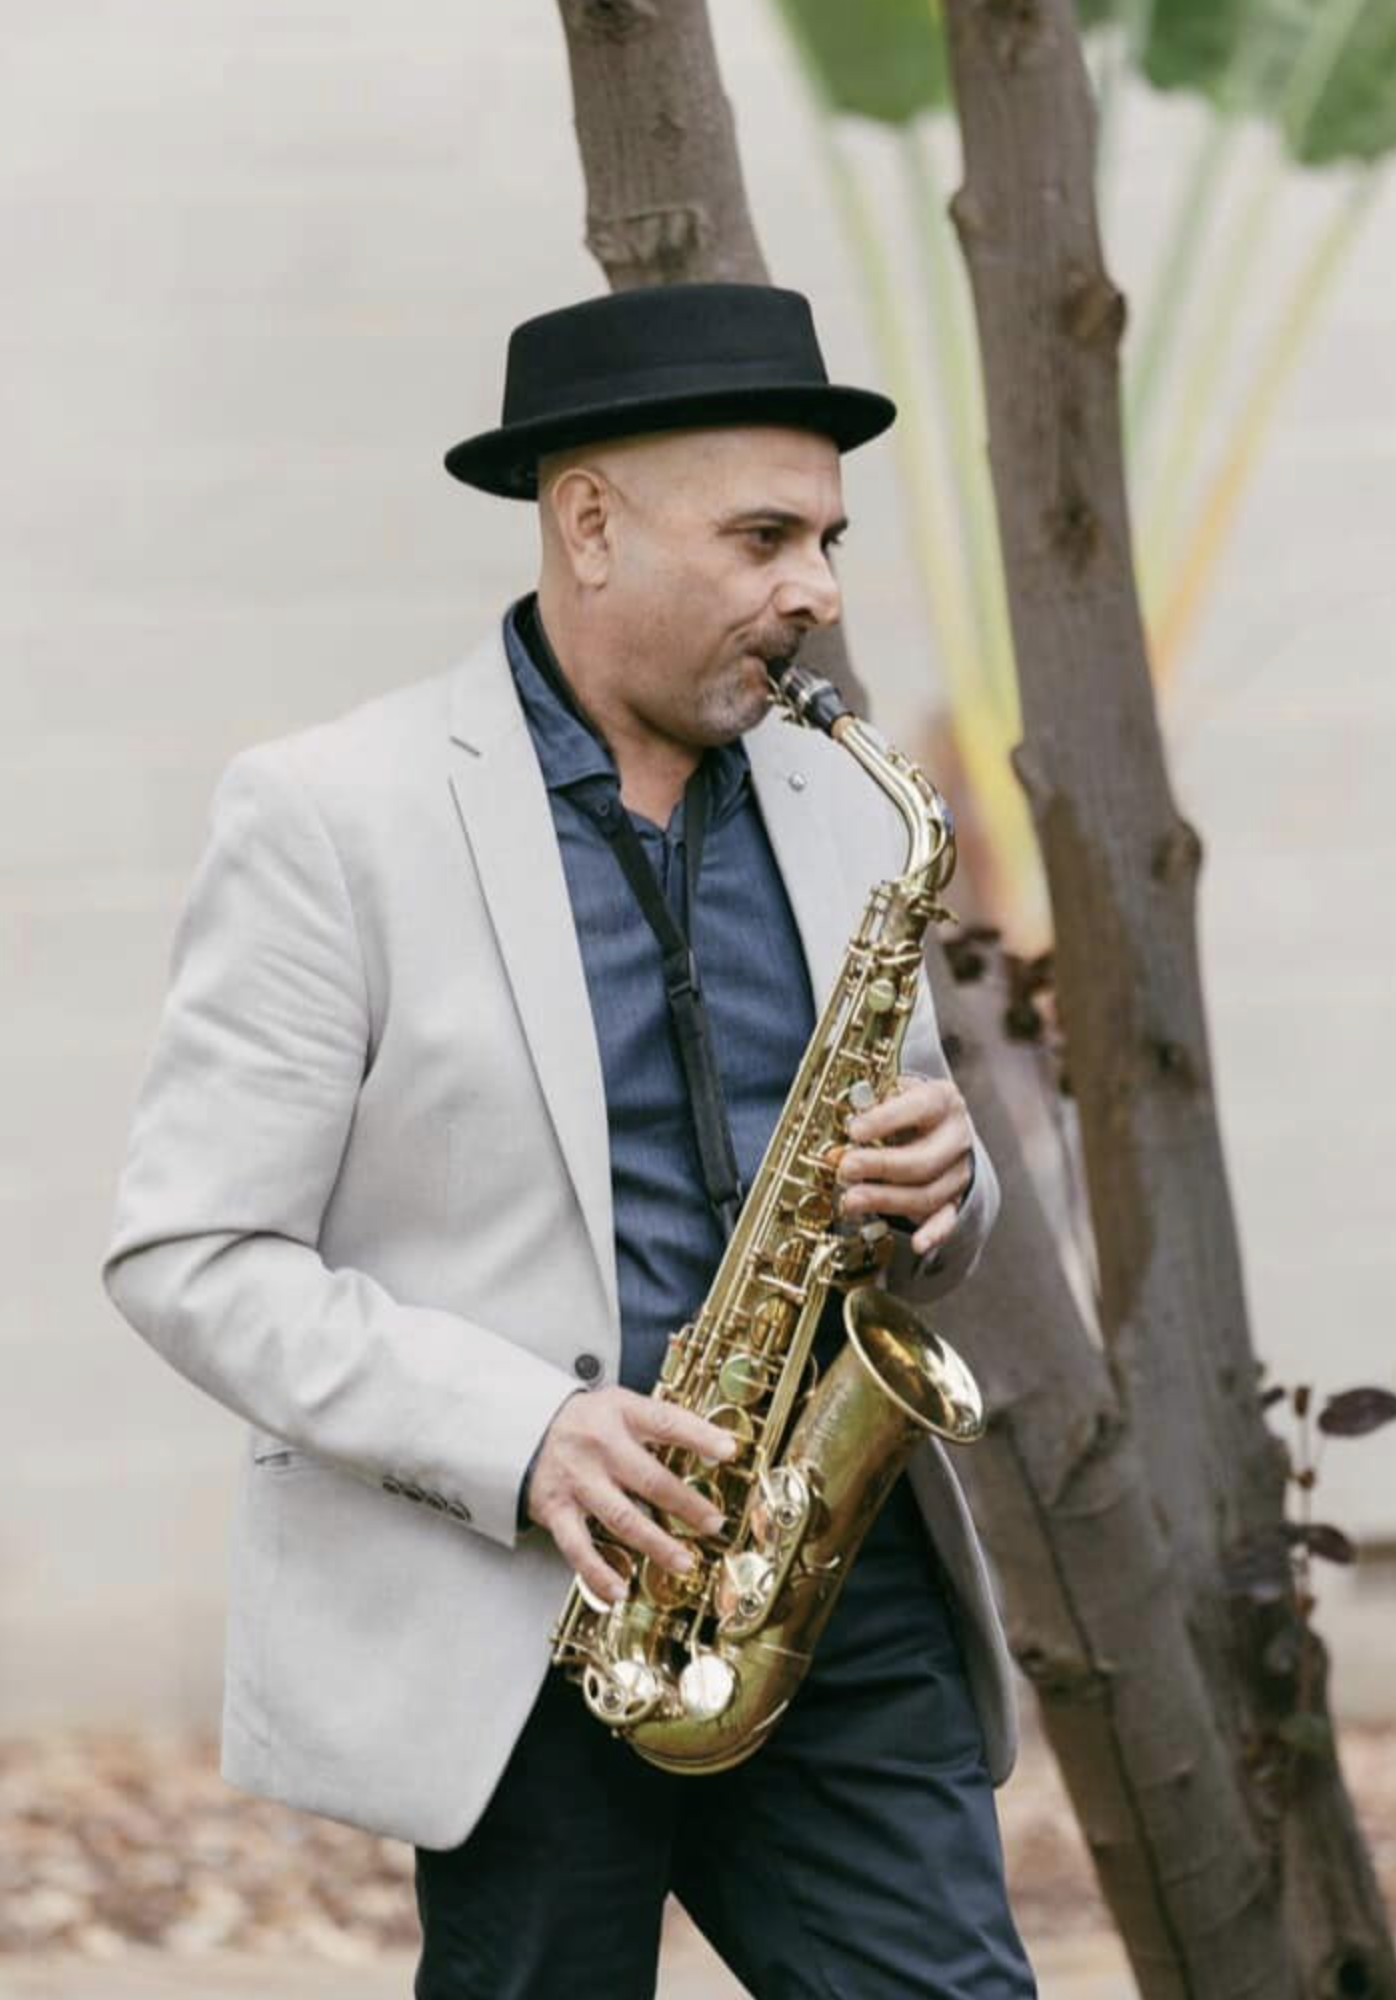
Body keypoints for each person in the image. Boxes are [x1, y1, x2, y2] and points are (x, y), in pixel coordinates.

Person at [102, 282, 1036, 1998]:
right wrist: (521, 1431)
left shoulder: (848, 807)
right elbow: (193, 1254)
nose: (816, 592)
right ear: (589, 523)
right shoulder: (334, 816)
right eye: (762, 537)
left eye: (826, 539)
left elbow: (908, 1169)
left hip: (829, 1582)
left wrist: (947, 1182)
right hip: (523, 1611)